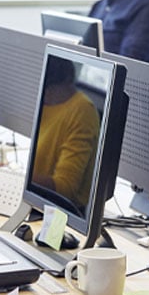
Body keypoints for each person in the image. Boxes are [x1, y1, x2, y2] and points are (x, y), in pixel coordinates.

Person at [30, 56, 100, 210]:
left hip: (56, 209)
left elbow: (65, 188)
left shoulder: (82, 110)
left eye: (48, 91)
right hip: (31, 198)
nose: (45, 96)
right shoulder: (45, 102)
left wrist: (24, 178)